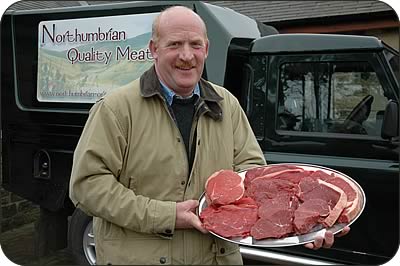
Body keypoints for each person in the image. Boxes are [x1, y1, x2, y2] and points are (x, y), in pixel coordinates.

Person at [69, 5, 349, 265]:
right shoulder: (116, 109)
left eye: (195, 44)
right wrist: (165, 215)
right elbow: (87, 186)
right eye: (174, 44)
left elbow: (253, 178)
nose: (187, 56)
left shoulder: (227, 105)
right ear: (154, 49)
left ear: (207, 48)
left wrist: (306, 224)